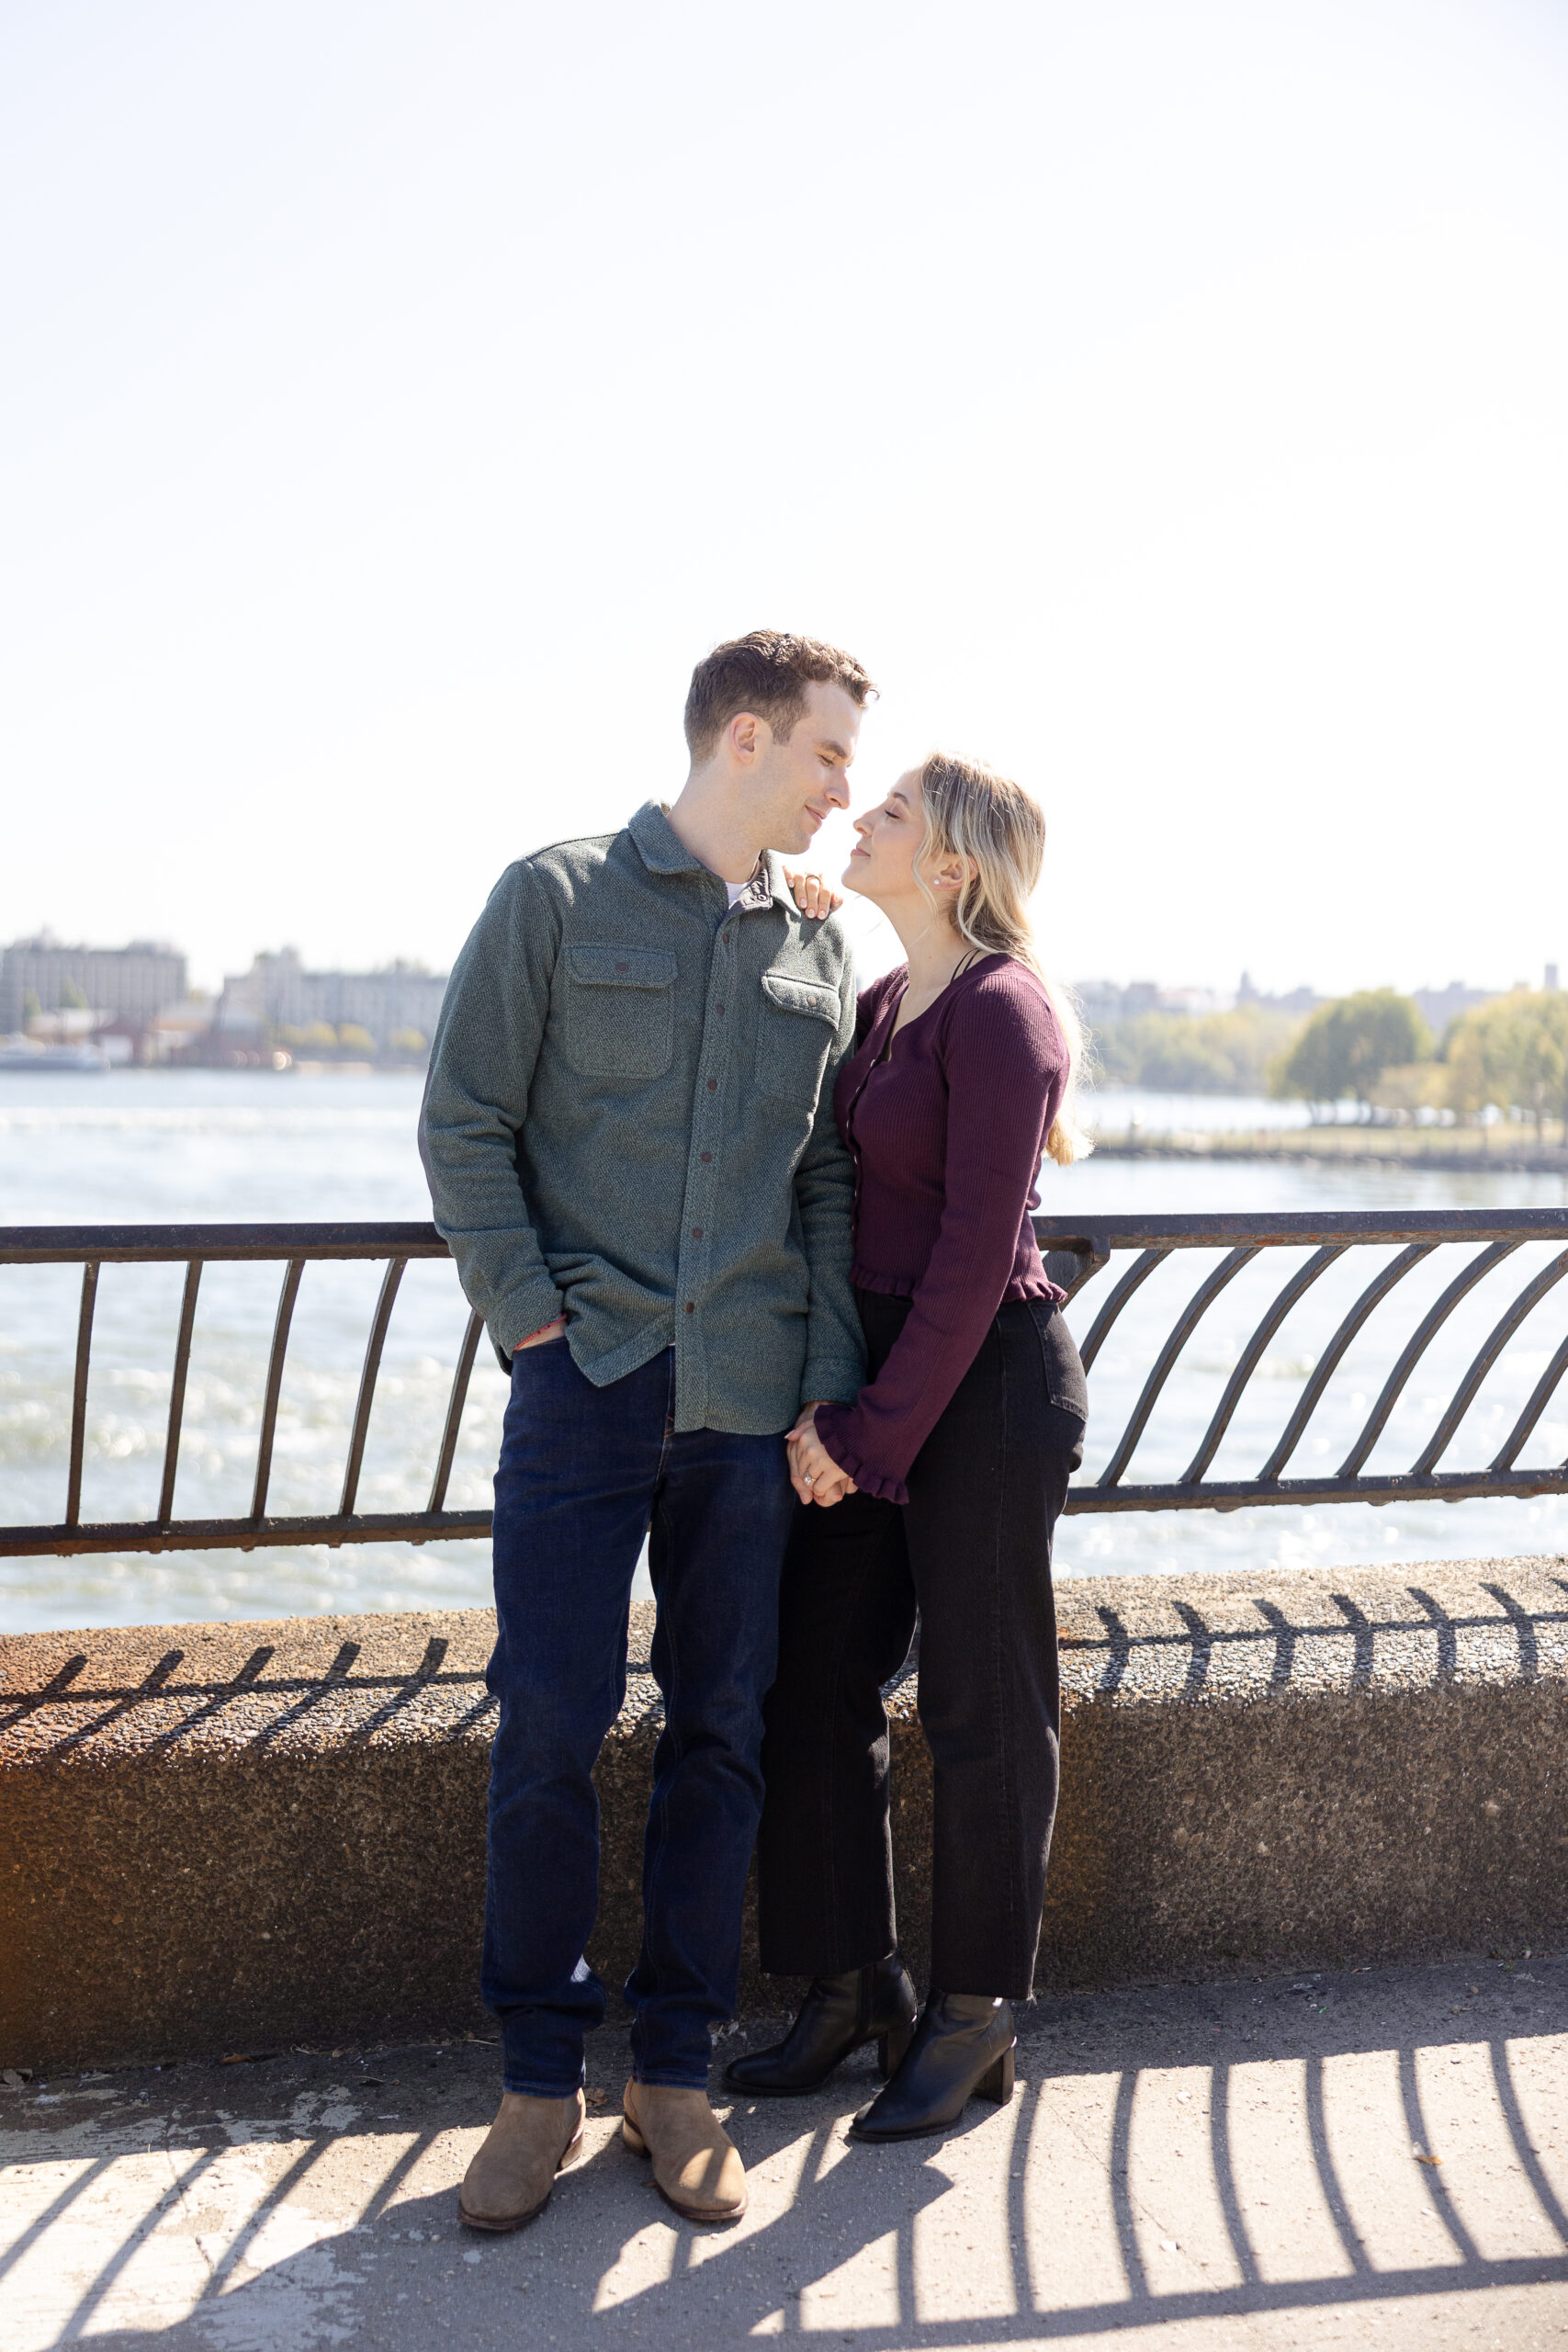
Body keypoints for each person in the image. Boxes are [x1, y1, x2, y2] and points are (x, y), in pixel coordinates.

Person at [419, 630, 874, 2231]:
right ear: (744, 738)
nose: (845, 789)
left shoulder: (817, 948)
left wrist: (822, 1375)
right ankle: (537, 2087)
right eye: (826, 754)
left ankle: (670, 2079)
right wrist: (531, 1321)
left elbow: (822, 1182)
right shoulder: (551, 899)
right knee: (546, 1721)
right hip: (585, 1383)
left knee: (723, 1734)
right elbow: (463, 1118)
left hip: (747, 1407)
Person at [727, 751, 1089, 2141]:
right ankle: (853, 1983)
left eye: (886, 815)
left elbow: (971, 1257)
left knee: (984, 1712)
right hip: (882, 1387)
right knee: (812, 1680)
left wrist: (865, 1436)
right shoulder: (886, 1000)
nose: (854, 821)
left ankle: (977, 2012)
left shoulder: (1007, 1017)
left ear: (948, 866)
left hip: (983, 1393)